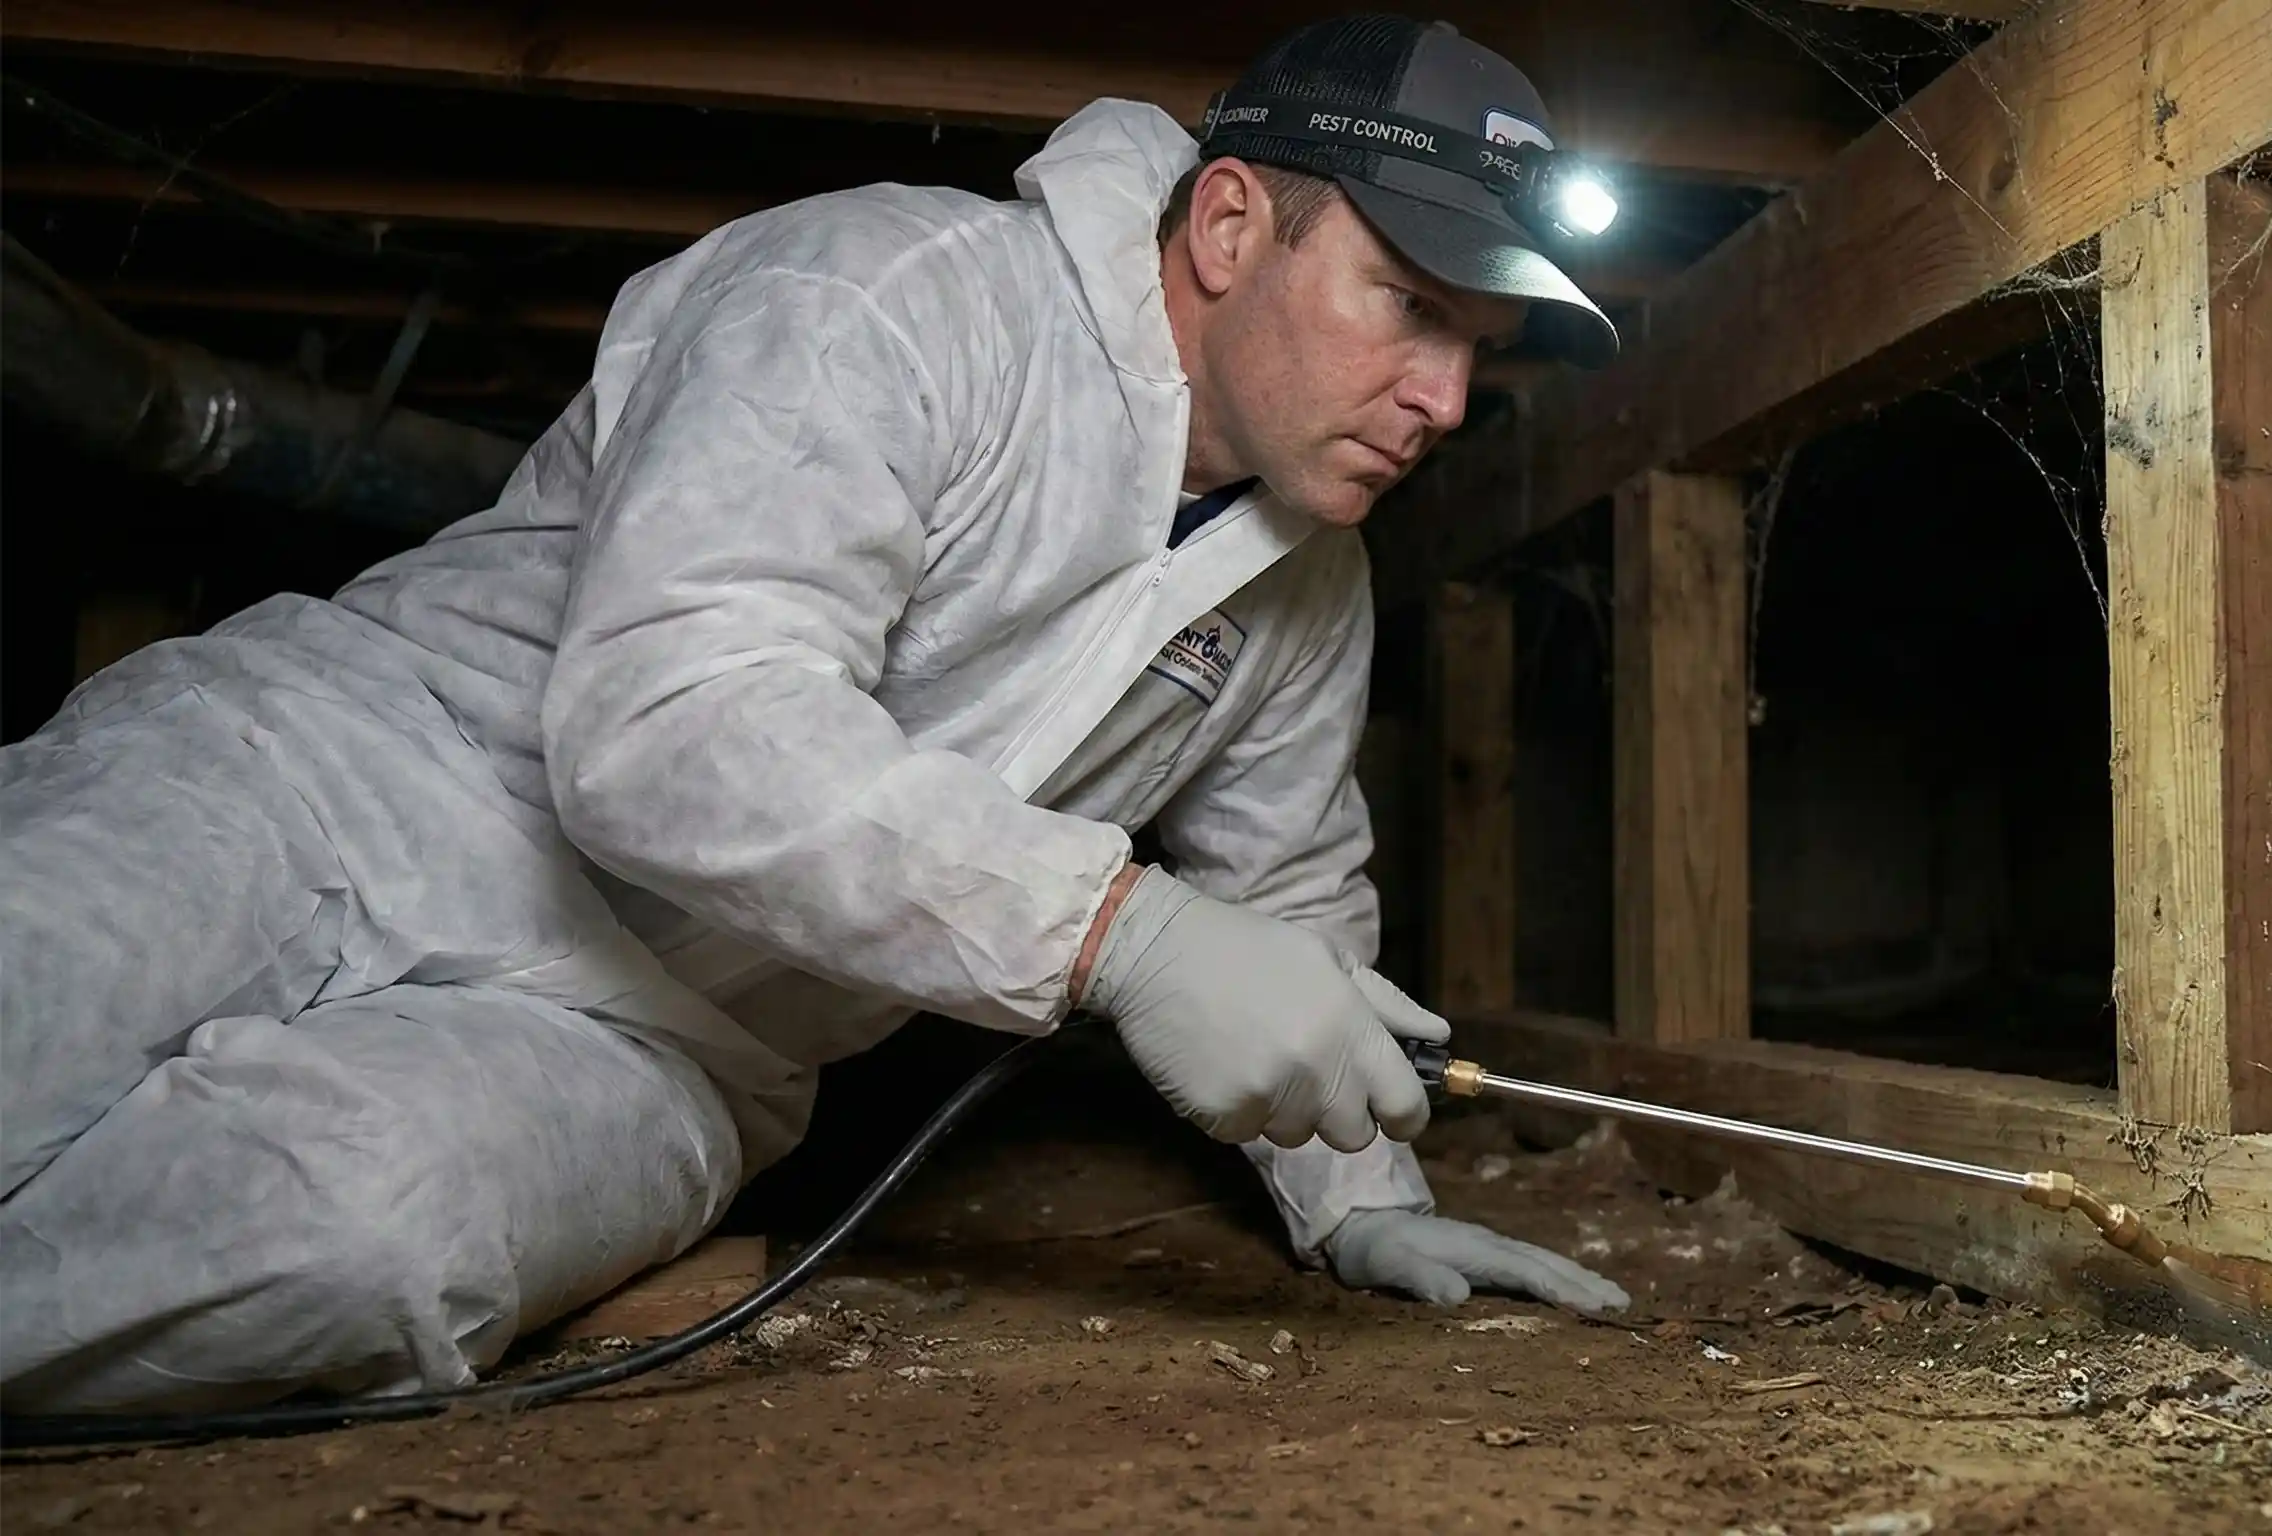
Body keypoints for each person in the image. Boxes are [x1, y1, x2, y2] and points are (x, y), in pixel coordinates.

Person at [0, 14, 1634, 1413]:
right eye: (1408, 304)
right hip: (330, 783)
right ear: (1226, 229)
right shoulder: (900, 294)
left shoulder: (1305, 590)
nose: (1447, 399)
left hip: (672, 1050)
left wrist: (1360, 1199)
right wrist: (1117, 936)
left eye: (1476, 347)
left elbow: (1283, 908)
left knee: (359, 1241)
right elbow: (675, 715)